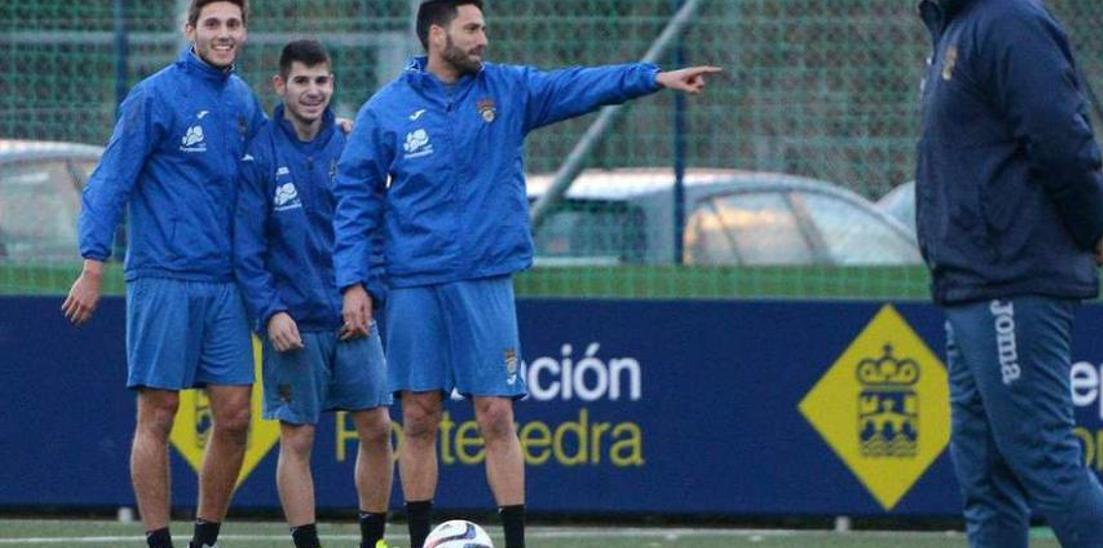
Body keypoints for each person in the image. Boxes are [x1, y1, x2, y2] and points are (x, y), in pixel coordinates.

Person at [331, 1, 720, 546]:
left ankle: (514, 539)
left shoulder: (506, 91)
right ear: (437, 35)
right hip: (414, 282)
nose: (483, 39)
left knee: (495, 414)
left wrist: (651, 77)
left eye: (484, 28)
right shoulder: (387, 110)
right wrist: (354, 282)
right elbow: (354, 199)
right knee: (419, 416)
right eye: (472, 29)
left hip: (485, 278)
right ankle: (420, 539)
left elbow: (578, 86)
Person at [915, 0, 1103, 547]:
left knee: (1048, 464)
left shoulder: (1008, 22)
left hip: (1010, 280)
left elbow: (1060, 138)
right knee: (987, 482)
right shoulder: (956, 28)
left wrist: (1090, 224)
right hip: (970, 284)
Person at [61, 1, 265, 547]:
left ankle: (204, 539)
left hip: (225, 285)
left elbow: (274, 165)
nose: (224, 34)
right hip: (164, 277)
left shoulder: (245, 100)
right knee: (159, 411)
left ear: (244, 32)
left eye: (233, 24)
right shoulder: (154, 96)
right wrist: (92, 264)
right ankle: (158, 541)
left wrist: (329, 136)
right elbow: (109, 182)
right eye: (213, 24)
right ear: (191, 30)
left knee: (236, 414)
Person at [234, 40, 394, 548]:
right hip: (293, 324)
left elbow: (376, 228)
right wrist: (269, 312)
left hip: (352, 316)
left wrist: (370, 291)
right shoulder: (260, 152)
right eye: (301, 81)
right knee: (298, 438)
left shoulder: (352, 145)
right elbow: (247, 247)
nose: (313, 91)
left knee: (376, 427)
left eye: (322, 81)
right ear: (280, 86)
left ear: (332, 85)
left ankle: (375, 540)